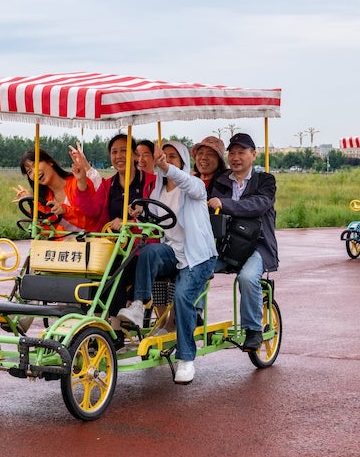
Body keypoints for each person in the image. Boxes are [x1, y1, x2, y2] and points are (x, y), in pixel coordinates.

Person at [117, 141, 217, 384]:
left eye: (173, 157)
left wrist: (166, 167)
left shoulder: (194, 186)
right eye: (165, 156)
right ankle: (139, 305)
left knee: (182, 297)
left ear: (183, 162)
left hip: (197, 256)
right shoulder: (157, 192)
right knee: (148, 252)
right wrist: (139, 214)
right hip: (172, 252)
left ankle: (186, 358)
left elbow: (185, 181)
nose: (168, 160)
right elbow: (155, 224)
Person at [207, 133, 278, 352]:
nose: (236, 158)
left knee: (247, 277)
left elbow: (258, 204)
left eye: (241, 152)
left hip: (257, 244)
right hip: (225, 246)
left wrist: (225, 204)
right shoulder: (220, 180)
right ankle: (195, 316)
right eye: (232, 153)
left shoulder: (265, 181)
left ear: (253, 155)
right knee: (196, 267)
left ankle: (253, 329)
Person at [75, 133, 155, 232]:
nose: (118, 156)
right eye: (114, 152)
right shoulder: (107, 185)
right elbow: (91, 210)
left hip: (142, 239)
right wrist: (81, 181)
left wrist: (129, 223)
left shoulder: (152, 182)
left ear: (135, 155)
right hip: (112, 239)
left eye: (124, 150)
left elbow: (156, 216)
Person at [14, 147, 102, 234]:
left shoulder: (79, 182)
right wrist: (33, 202)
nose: (34, 172)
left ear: (50, 162)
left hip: (91, 239)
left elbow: (90, 219)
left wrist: (64, 211)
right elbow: (46, 230)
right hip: (64, 242)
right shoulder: (46, 199)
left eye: (35, 165)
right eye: (29, 172)